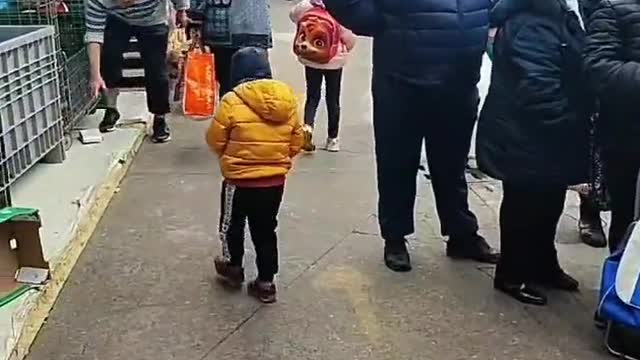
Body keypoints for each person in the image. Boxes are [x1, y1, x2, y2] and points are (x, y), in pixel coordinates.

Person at [323, 0, 500, 272]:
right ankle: (395, 237)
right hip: (401, 79)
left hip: (459, 80)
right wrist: (381, 23)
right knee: (397, 162)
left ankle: (461, 233)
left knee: (452, 166)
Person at [477, 0, 591, 305]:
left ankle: (542, 263)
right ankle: (511, 274)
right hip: (525, 133)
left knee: (549, 199)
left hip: (545, 134)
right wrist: (572, 119)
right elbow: (538, 87)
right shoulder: (530, 23)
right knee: (523, 205)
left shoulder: (556, 13)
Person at [206, 47, 304, 304]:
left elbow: (215, 140)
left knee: (231, 225)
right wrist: (276, 160)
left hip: (238, 181)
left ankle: (233, 267)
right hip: (274, 182)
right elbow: (296, 141)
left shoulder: (231, 100)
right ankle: (266, 282)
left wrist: (232, 156)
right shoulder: (288, 100)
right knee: (265, 229)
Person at [85, 0, 188, 143]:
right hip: (117, 18)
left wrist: (181, 10)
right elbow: (94, 35)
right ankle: (111, 108)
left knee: (156, 69)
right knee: (109, 59)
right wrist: (95, 75)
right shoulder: (97, 1)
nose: (126, 5)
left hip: (153, 17)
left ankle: (159, 118)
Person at [584, 0, 640, 255]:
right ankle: (621, 288)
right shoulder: (613, 10)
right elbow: (598, 68)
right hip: (628, 138)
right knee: (629, 221)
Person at [289, 0, 356, 153]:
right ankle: (333, 139)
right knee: (333, 99)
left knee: (312, 96)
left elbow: (293, 15)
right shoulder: (340, 8)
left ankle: (307, 128)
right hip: (334, 61)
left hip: (311, 58)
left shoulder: (308, 5)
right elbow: (349, 39)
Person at [200, 0, 272, 95]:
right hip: (256, 27)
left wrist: (193, 16)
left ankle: (231, 106)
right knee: (258, 86)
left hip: (224, 30)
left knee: (228, 85)